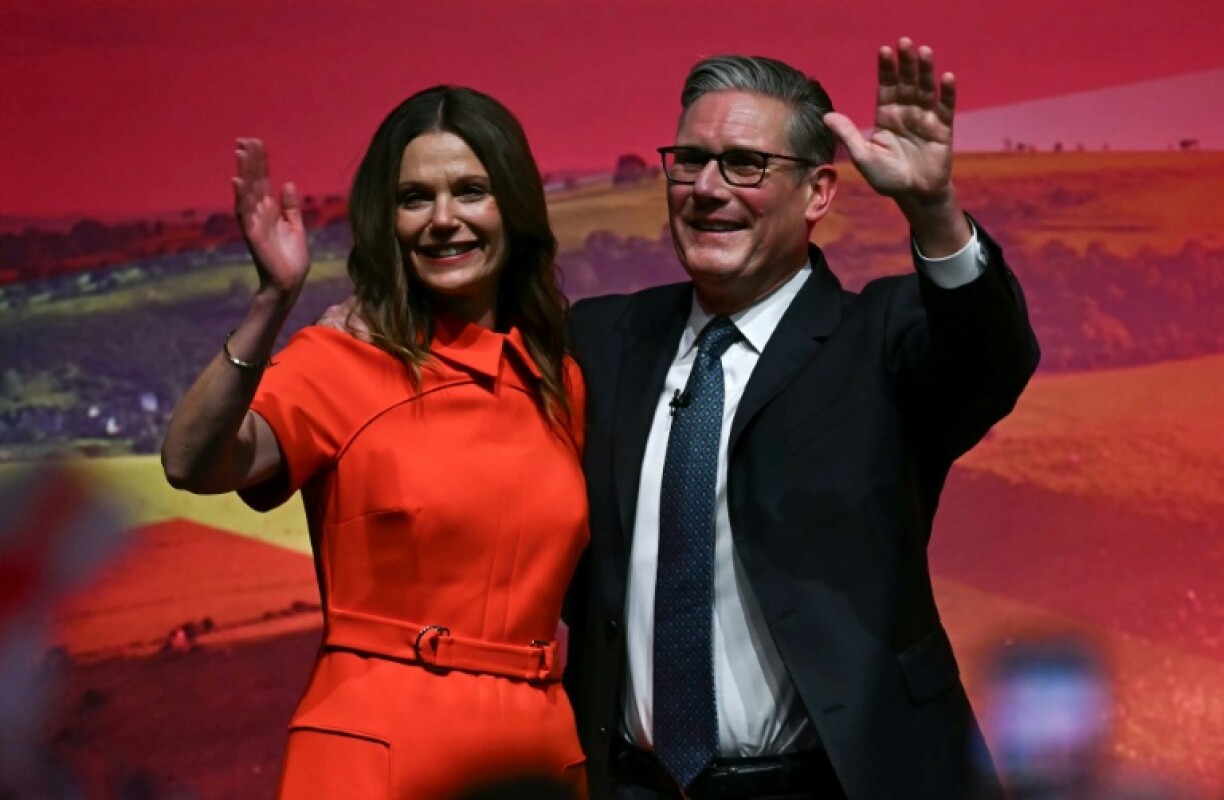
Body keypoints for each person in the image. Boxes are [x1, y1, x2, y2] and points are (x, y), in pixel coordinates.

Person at [561, 39, 1040, 799]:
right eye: (689, 160)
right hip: (635, 785)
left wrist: (932, 209)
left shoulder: (878, 340)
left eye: (745, 165)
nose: (708, 188)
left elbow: (992, 357)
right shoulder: (601, 339)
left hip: (836, 783)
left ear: (818, 193)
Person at [160, 86, 589, 798]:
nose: (443, 220)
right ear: (386, 220)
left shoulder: (557, 382)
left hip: (540, 756)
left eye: (471, 191)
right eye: (415, 198)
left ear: (512, 206)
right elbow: (192, 463)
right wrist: (274, 299)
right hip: (378, 752)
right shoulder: (340, 359)